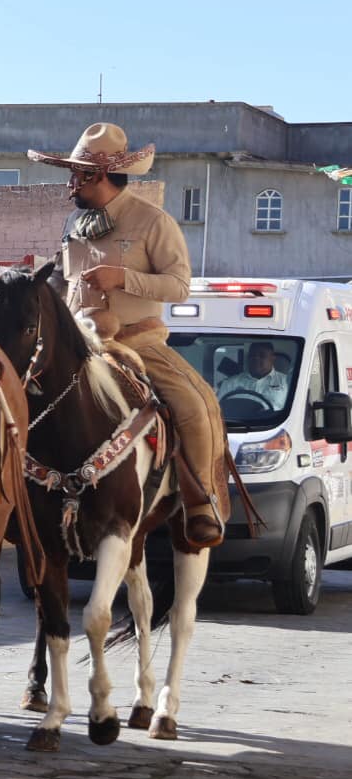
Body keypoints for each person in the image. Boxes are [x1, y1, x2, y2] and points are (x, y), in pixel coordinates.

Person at [33, 122, 229, 547]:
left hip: (139, 343)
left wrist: (122, 277)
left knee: (196, 405)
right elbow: (62, 284)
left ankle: (201, 505)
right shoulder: (73, 222)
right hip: (80, 346)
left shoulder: (154, 223)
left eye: (76, 175)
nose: (70, 184)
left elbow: (178, 286)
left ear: (96, 176)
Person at [219, 341, 290, 410]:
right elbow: (219, 410)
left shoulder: (287, 382)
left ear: (272, 358)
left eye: (262, 355)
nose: (256, 358)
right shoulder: (230, 383)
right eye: (252, 355)